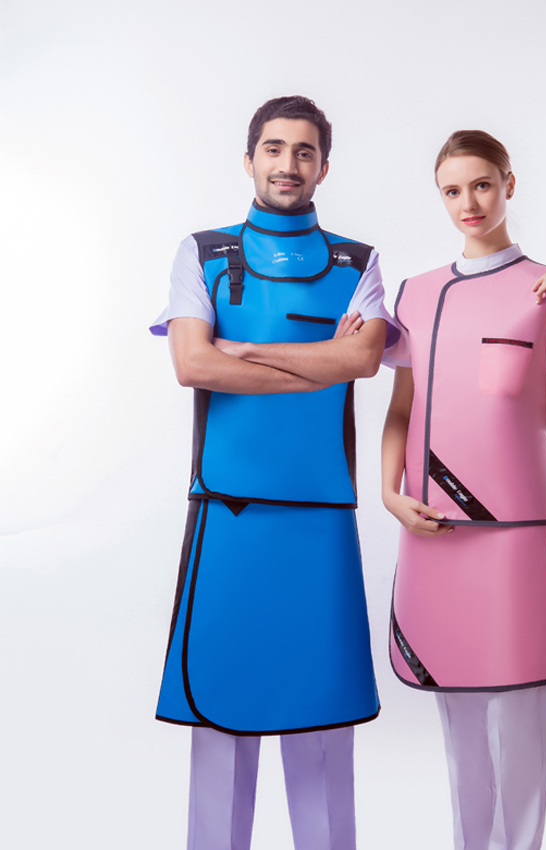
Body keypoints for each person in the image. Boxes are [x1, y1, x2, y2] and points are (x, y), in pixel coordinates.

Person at [150, 95, 395, 850]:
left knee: (321, 717)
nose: (288, 164)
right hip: (226, 515)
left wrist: (246, 352)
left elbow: (364, 360)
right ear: (249, 157)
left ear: (324, 166)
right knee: (220, 710)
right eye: (275, 148)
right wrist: (321, 361)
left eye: (304, 151)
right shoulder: (203, 252)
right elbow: (193, 364)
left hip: (320, 517)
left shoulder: (359, 262)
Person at [381, 130, 546, 850]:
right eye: (452, 190)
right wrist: (389, 493)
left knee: (521, 714)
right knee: (459, 720)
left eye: (481, 184)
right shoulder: (415, 294)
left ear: (509, 183)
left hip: (513, 536)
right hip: (432, 530)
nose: (467, 203)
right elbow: (402, 411)